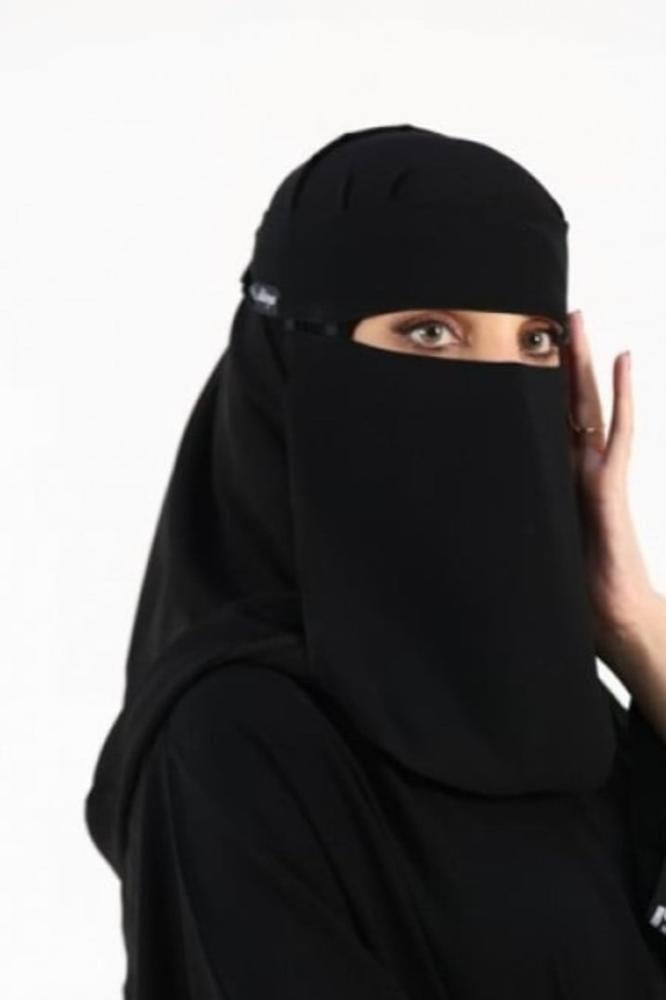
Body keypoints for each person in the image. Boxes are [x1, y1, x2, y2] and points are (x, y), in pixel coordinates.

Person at [84, 124, 666, 999]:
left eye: (536, 342)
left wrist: (637, 627)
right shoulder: (238, 740)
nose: (499, 390)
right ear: (292, 364)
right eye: (430, 332)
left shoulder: (581, 724)